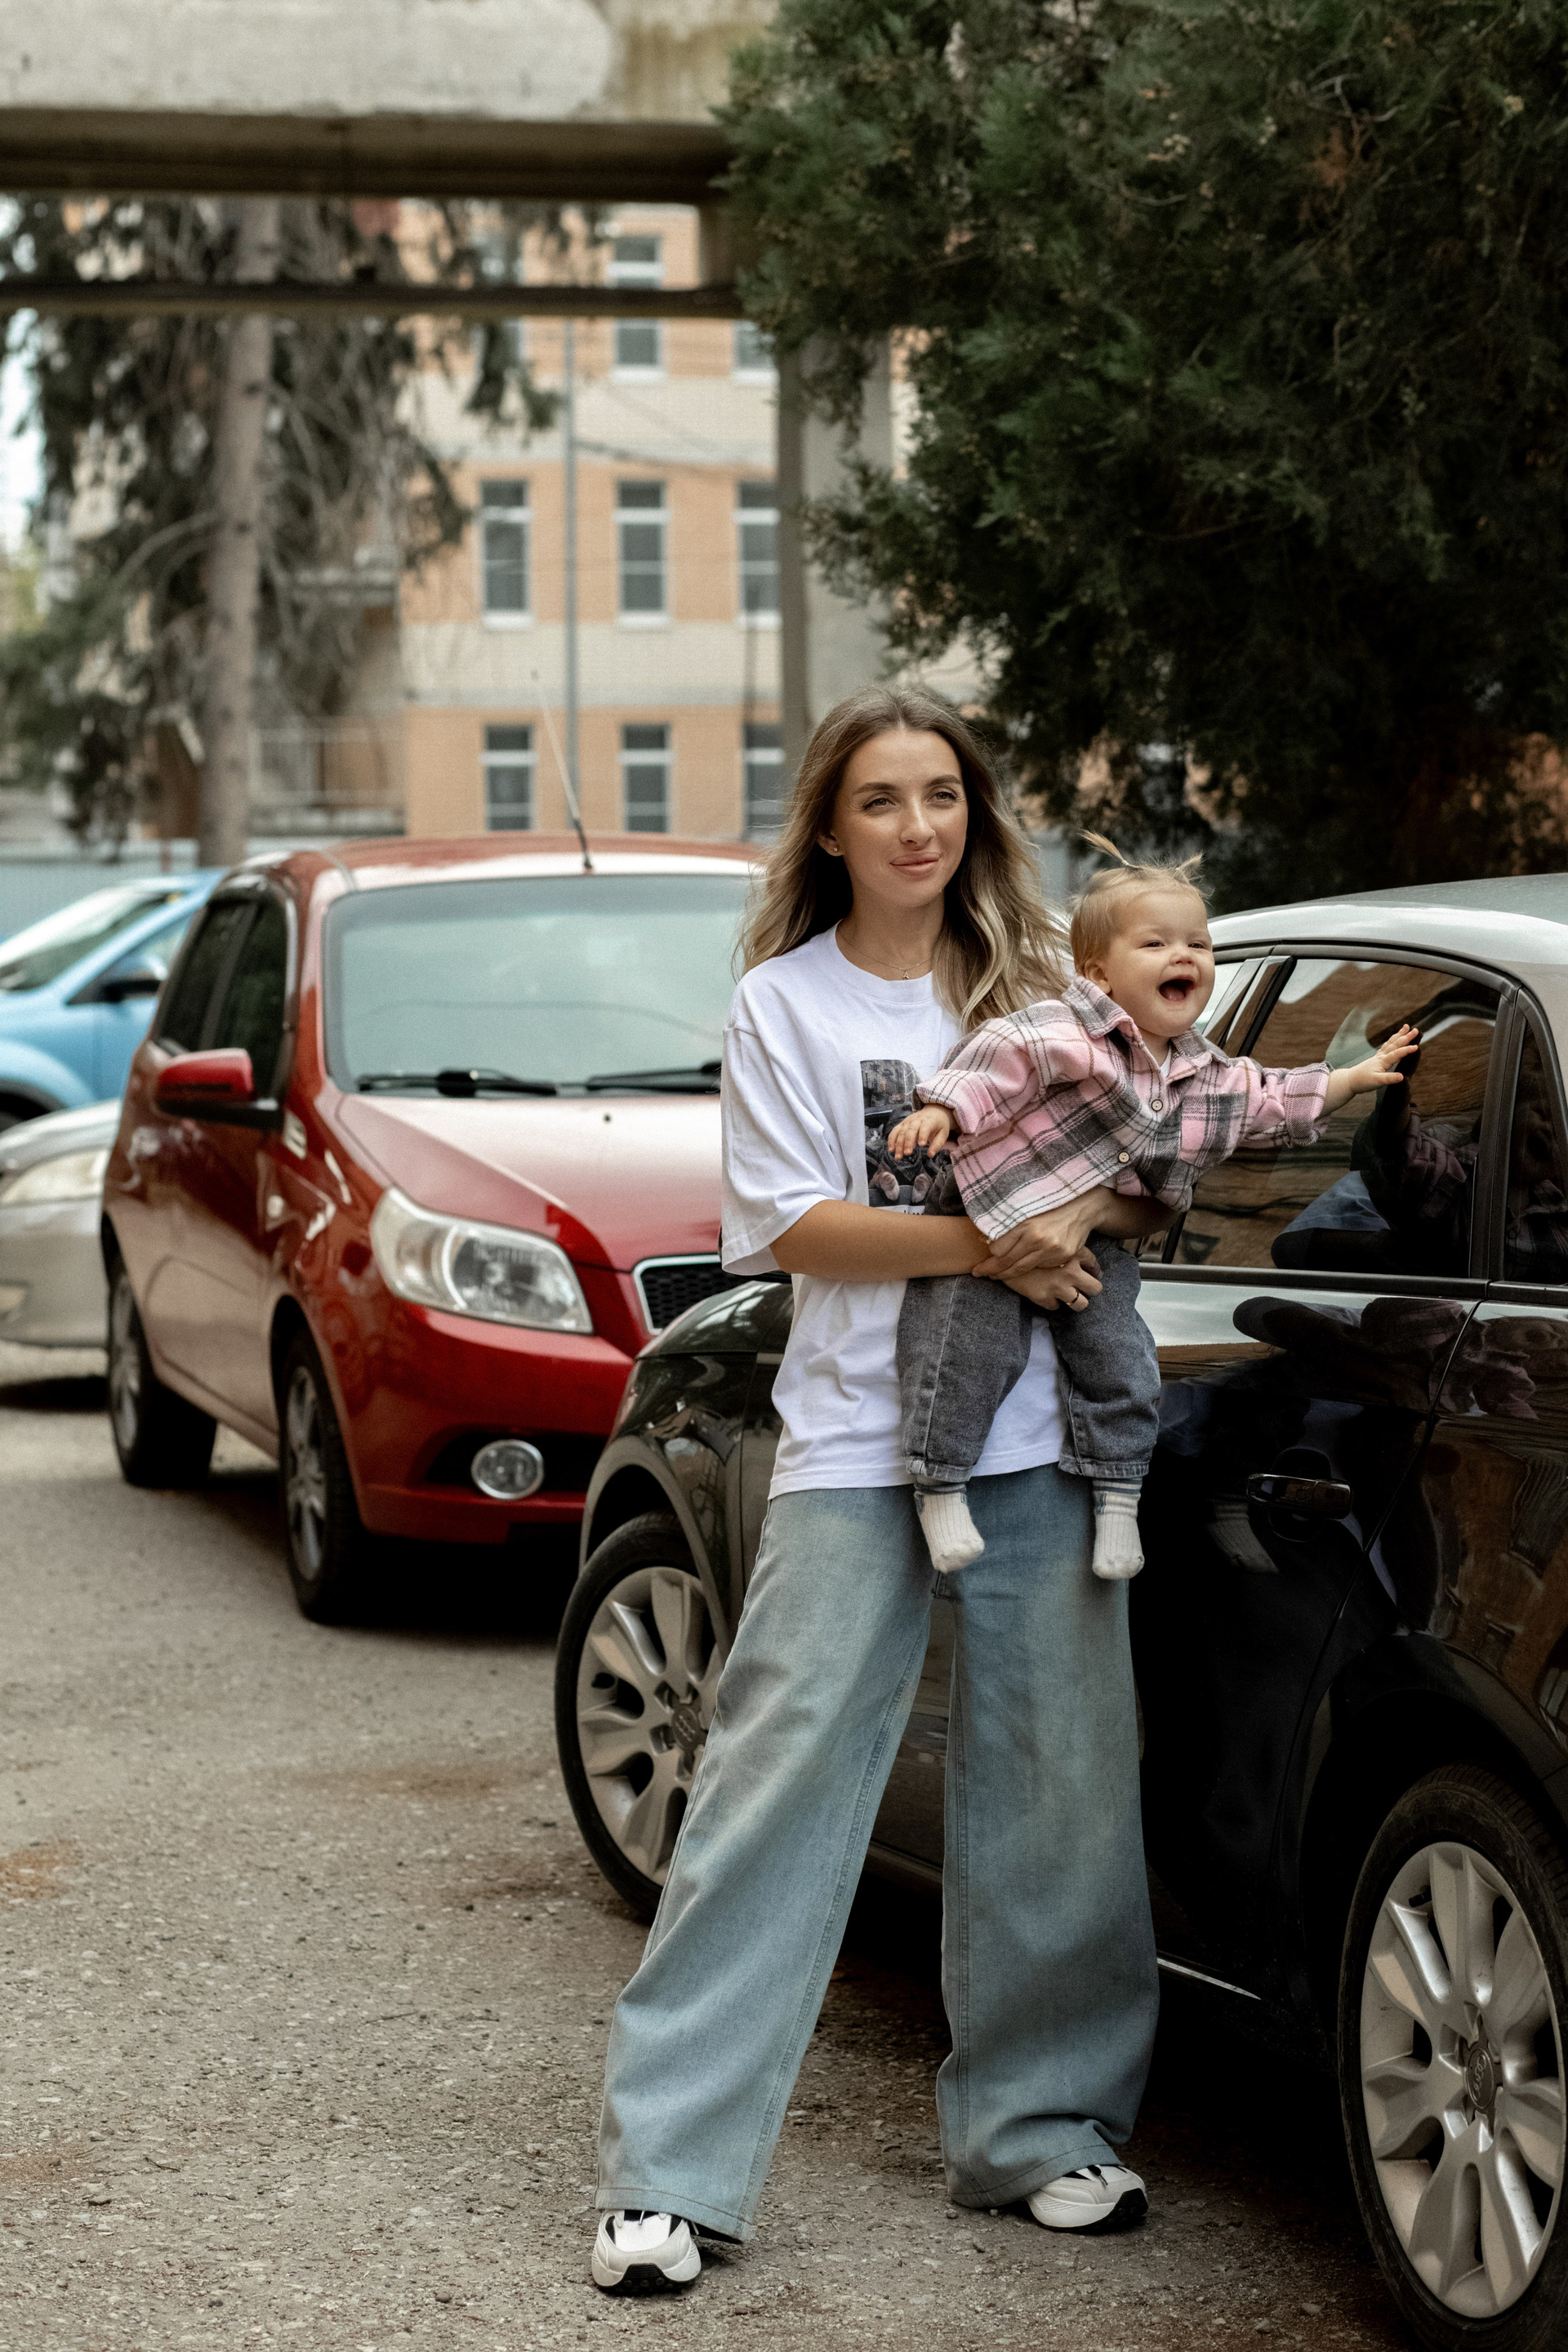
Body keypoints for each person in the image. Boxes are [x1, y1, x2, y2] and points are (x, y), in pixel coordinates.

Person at [590, 685, 1169, 2296]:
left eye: (942, 796)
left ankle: (1041, 2133)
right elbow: (793, 1226)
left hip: (1042, 1439)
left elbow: (1152, 1165)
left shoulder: (1045, 984)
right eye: (882, 801)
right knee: (770, 1786)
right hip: (858, 1444)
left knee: (1059, 1788)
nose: (919, 827)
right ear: (833, 831)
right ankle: (669, 2175)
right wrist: (995, 1240)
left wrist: (1081, 1216)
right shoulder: (787, 1004)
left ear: (974, 812)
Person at [888, 842, 1418, 1579]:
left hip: (1100, 1239)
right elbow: (994, 1065)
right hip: (990, 1203)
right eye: (1157, 943)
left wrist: (1353, 1078)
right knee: (964, 1350)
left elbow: (1273, 1099)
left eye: (1198, 943)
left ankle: (1117, 1496)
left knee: (1123, 1360)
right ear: (1099, 973)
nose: (1185, 955)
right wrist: (943, 1111)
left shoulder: (1209, 1076)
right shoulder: (1060, 1033)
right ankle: (940, 1486)